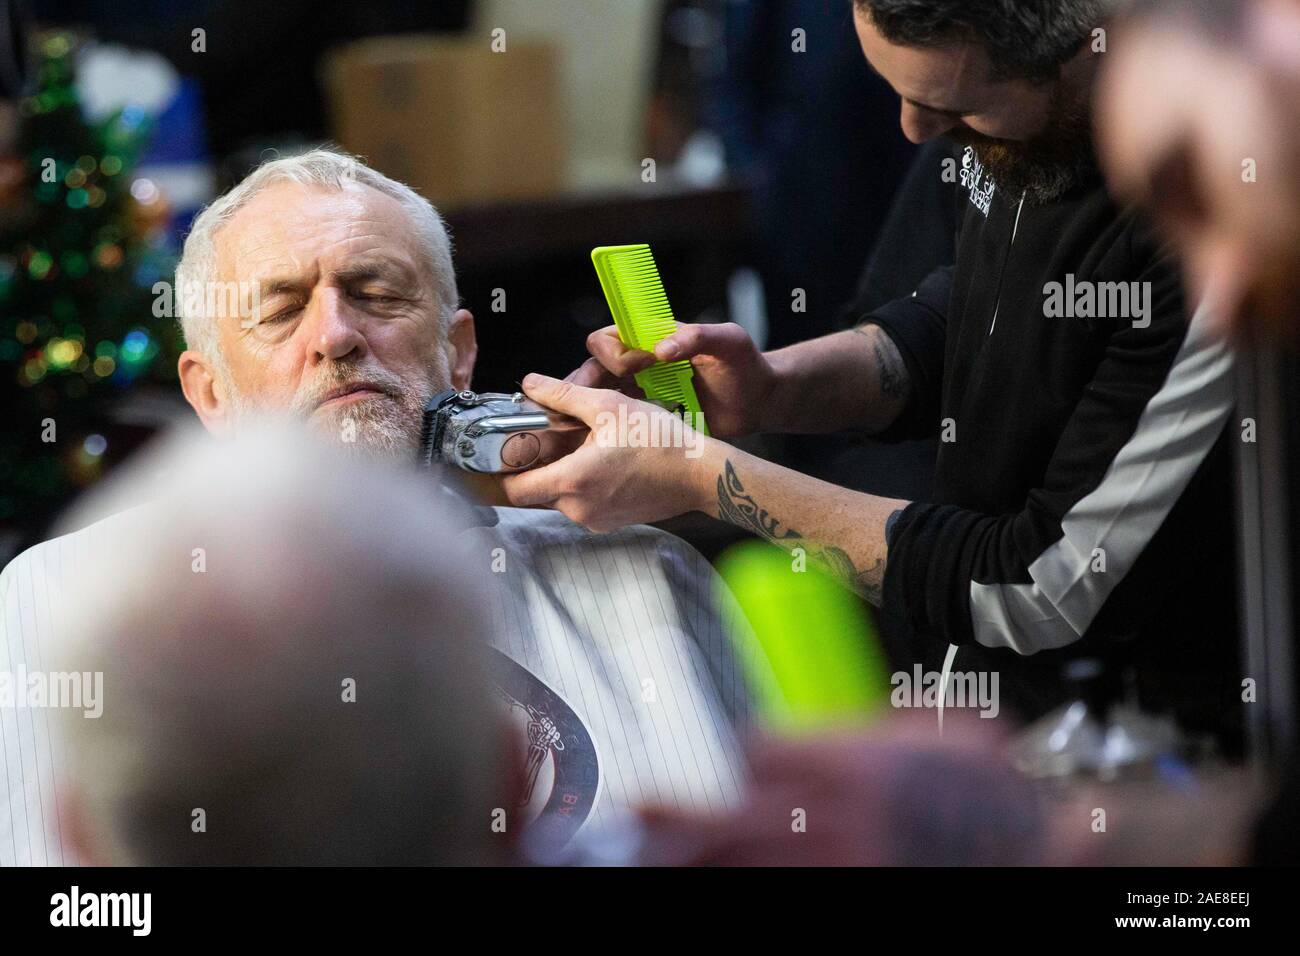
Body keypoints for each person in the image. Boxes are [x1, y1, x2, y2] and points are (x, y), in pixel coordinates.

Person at [503, 0, 1241, 744]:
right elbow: (978, 313)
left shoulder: (1210, 229)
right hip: (973, 711)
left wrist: (701, 477)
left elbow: (1040, 586)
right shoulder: (1018, 126)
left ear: (1088, 48)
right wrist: (772, 387)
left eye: (950, 105)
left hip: (1149, 750)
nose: (914, 131)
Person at [0, 149, 749, 866]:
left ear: (458, 352)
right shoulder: (60, 600)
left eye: (377, 293)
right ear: (210, 393)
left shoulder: (651, 571)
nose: (335, 336)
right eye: (281, 310)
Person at [48, 425, 516, 865]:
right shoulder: (39, 585)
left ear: (80, 839)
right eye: (273, 330)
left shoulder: (75, 591)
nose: (333, 337)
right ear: (513, 785)